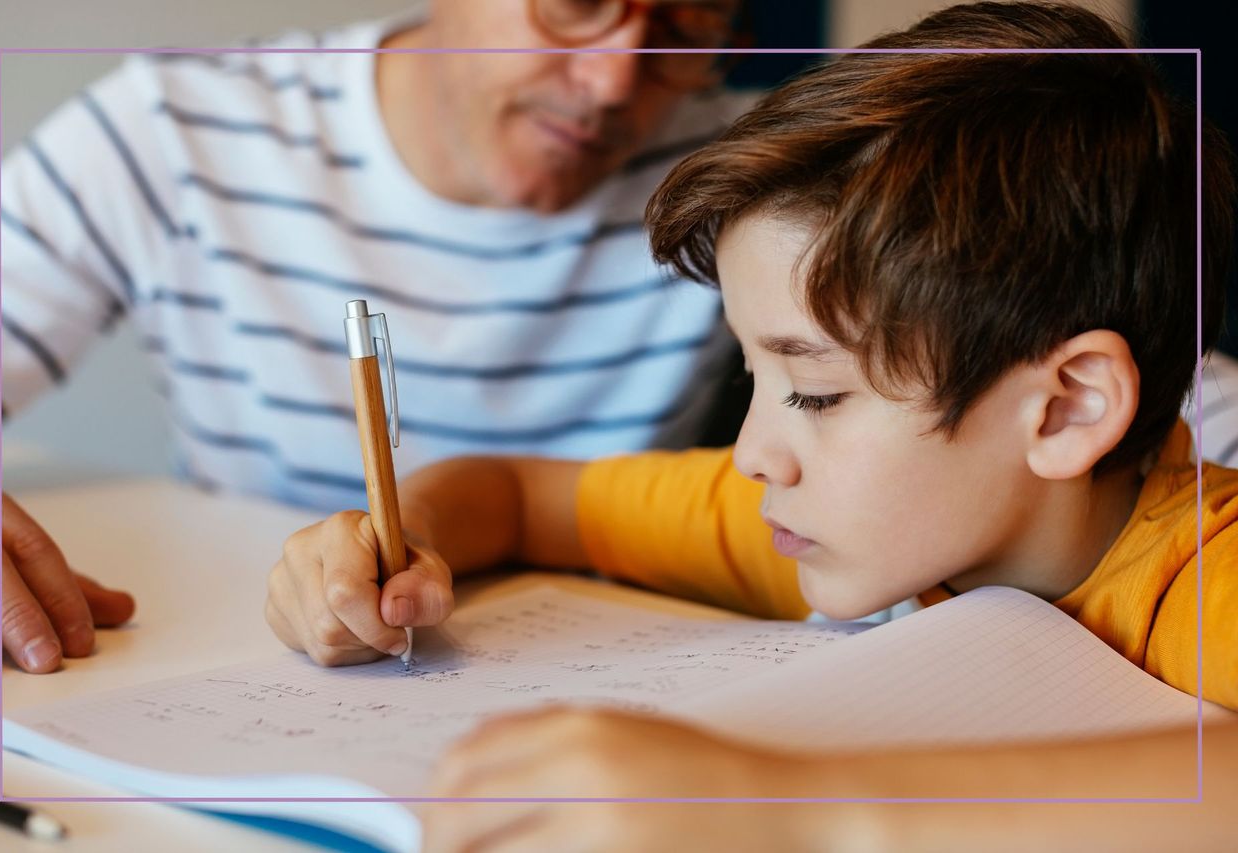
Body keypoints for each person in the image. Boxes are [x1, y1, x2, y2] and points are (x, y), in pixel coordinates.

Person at [264, 2, 1238, 848]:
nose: (752, 452)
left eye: (815, 394)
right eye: (752, 375)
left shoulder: (1204, 569)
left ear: (1065, 407)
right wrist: (391, 543)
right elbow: (515, 495)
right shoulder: (840, 523)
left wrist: (790, 809)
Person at [0, 0, 758, 678]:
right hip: (230, 669)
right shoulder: (171, 131)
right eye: (579, 1)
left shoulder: (753, 181)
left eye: (687, 25)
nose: (614, 80)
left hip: (599, 678)